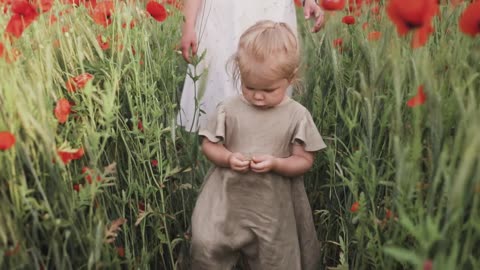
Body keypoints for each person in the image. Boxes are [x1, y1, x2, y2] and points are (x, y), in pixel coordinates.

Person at [190, 20, 327, 270]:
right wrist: (228, 158)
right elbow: (208, 145)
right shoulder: (229, 109)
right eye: (249, 87)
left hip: (273, 204)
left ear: (291, 78)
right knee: (206, 243)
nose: (258, 96)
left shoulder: (296, 115)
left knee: (276, 256)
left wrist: (276, 163)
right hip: (227, 197)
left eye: (268, 89)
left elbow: (304, 160)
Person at [177, 0, 324, 131]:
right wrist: (188, 25)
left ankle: (270, 144)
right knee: (222, 74)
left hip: (271, 8)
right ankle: (219, 142)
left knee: (272, 70)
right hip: (224, 12)